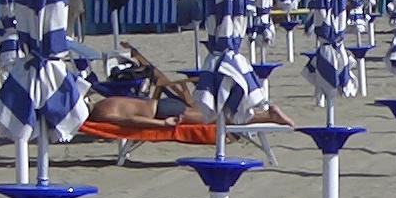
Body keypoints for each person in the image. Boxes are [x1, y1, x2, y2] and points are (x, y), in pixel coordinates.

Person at [87, 42, 294, 129]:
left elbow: (132, 120)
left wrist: (162, 124)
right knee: (215, 115)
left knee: (216, 120)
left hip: (161, 112)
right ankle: (261, 114)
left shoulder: (100, 114)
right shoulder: (105, 102)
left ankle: (267, 116)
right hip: (160, 104)